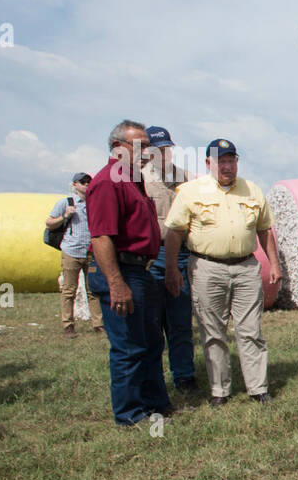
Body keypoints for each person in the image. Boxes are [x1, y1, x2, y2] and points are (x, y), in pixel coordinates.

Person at [163, 139, 280, 406]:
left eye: (231, 160)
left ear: (237, 162)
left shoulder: (252, 190)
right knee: (213, 331)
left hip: (246, 267)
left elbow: (264, 230)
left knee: (250, 329)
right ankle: (220, 391)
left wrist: (274, 264)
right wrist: (171, 268)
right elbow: (174, 232)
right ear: (208, 164)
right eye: (221, 161)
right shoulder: (191, 191)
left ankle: (258, 388)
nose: (227, 166)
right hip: (207, 267)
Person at [84, 120, 172, 426]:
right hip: (121, 270)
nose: (148, 152)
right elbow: (101, 237)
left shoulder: (132, 180)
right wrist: (116, 283)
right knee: (128, 346)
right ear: (118, 148)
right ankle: (130, 415)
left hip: (139, 270)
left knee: (149, 342)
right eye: (142, 146)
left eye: (148, 146)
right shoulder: (108, 181)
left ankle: (155, 406)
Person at [142, 126, 197, 394]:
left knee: (180, 318)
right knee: (151, 320)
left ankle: (184, 375)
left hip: (183, 252)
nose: (162, 154)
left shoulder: (185, 178)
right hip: (153, 255)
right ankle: (152, 378)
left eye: (166, 148)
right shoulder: (138, 178)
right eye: (156, 149)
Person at [46, 172, 103, 336]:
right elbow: (49, 223)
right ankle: (68, 325)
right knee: (69, 289)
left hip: (91, 252)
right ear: (75, 185)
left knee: (93, 289)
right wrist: (65, 216)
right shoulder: (65, 203)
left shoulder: (95, 203)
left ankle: (98, 324)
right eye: (83, 182)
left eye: (88, 181)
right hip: (71, 251)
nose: (86, 184)